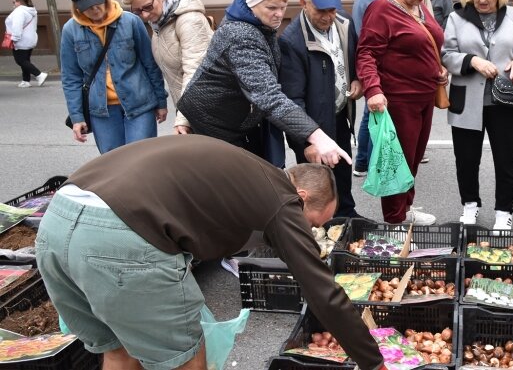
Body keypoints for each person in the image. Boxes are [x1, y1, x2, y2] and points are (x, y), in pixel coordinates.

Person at [35, 135, 386, 370]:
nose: (308, 232)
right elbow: (323, 293)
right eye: (311, 224)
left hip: (58, 221)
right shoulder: (282, 200)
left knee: (119, 350)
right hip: (120, 237)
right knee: (186, 358)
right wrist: (374, 363)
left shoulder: (248, 172)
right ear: (302, 197)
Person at [177, 0, 349, 169]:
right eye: (271, 8)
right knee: (238, 185)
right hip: (215, 122)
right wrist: (318, 137)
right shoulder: (240, 34)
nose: (278, 15)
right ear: (252, 3)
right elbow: (268, 96)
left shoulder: (258, 23)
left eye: (283, 7)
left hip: (240, 119)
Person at [441, 0, 513, 231]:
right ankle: (470, 205)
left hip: (505, 101)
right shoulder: (456, 18)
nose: (483, 0)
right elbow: (446, 54)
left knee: (506, 158)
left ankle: (504, 210)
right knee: (466, 158)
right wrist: (473, 61)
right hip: (466, 100)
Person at [356, 0, 446, 225]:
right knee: (397, 162)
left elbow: (427, 41)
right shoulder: (382, 8)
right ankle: (394, 221)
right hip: (398, 100)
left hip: (424, 97)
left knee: (413, 159)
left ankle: (406, 209)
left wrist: (437, 69)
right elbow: (366, 53)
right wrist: (373, 89)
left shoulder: (417, 6)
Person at [279, 0, 364, 218]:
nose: (328, 16)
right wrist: (306, 141)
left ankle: (347, 215)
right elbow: (292, 100)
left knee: (343, 171)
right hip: (311, 124)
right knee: (317, 183)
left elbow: (354, 56)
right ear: (304, 3)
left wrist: (356, 78)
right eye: (321, 10)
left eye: (332, 9)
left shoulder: (344, 23)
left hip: (338, 113)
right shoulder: (291, 41)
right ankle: (318, 225)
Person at [61, 0, 168, 154]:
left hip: (139, 104)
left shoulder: (130, 21)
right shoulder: (71, 31)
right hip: (102, 112)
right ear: (77, 7)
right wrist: (77, 117)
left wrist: (161, 101)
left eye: (97, 2)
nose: (95, 9)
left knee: (141, 158)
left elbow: (150, 64)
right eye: (88, 7)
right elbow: (71, 77)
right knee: (112, 163)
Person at [120, 0, 214, 135]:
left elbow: (196, 72)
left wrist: (183, 118)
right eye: (137, 11)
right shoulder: (160, 24)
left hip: (210, 110)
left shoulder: (189, 20)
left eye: (148, 7)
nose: (145, 15)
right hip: (192, 110)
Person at [352, 0, 393, 177]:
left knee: (371, 113)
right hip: (376, 67)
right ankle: (368, 163)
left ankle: (363, 162)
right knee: (375, 114)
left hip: (370, 66)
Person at [5, 0, 47, 88]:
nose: (13, 4)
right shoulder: (31, 11)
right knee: (26, 60)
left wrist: (14, 39)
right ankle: (26, 80)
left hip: (21, 40)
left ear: (19, 2)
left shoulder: (19, 11)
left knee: (20, 60)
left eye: (14, 2)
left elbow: (17, 26)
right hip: (31, 39)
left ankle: (39, 75)